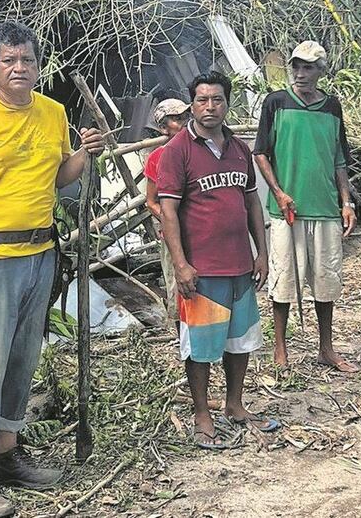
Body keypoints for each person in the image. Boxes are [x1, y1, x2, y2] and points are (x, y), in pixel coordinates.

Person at [0, 20, 105, 516]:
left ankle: (9, 455)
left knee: (22, 358)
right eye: (9, 60)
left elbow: (60, 177)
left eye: (27, 60)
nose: (19, 68)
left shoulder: (52, 112)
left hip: (41, 253)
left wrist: (84, 154)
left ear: (38, 65)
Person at [156, 71, 278, 449]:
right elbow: (168, 211)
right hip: (202, 269)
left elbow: (252, 202)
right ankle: (201, 413)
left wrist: (262, 253)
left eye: (218, 100)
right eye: (202, 100)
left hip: (239, 265)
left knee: (239, 341)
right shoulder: (178, 150)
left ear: (227, 103)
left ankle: (235, 405)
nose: (210, 107)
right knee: (201, 346)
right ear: (192, 104)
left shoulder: (239, 149)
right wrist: (181, 264)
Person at [252, 40, 358, 372]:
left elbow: (340, 159)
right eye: (296, 65)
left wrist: (347, 202)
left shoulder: (331, 107)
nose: (300, 73)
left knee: (326, 281)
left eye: (308, 67)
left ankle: (326, 348)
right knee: (283, 281)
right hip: (287, 209)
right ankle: (280, 350)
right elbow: (261, 153)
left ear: (320, 71)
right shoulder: (276, 102)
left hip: (325, 207)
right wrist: (279, 192)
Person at [143, 98, 191, 320]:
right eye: (177, 119)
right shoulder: (157, 157)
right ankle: (184, 344)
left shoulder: (199, 149)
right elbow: (151, 201)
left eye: (185, 117)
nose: (184, 122)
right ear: (163, 127)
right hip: (173, 235)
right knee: (178, 286)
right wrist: (170, 221)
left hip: (201, 231)